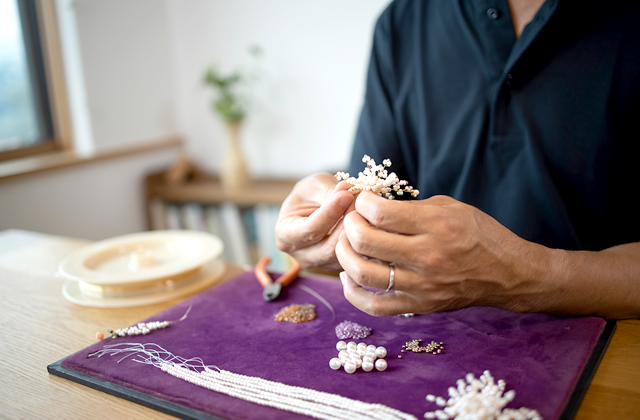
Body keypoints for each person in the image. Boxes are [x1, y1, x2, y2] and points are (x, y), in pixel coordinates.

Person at [275, 0, 640, 320]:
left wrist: (521, 275)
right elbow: (374, 200)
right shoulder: (403, 23)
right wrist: (332, 227)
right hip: (436, 348)